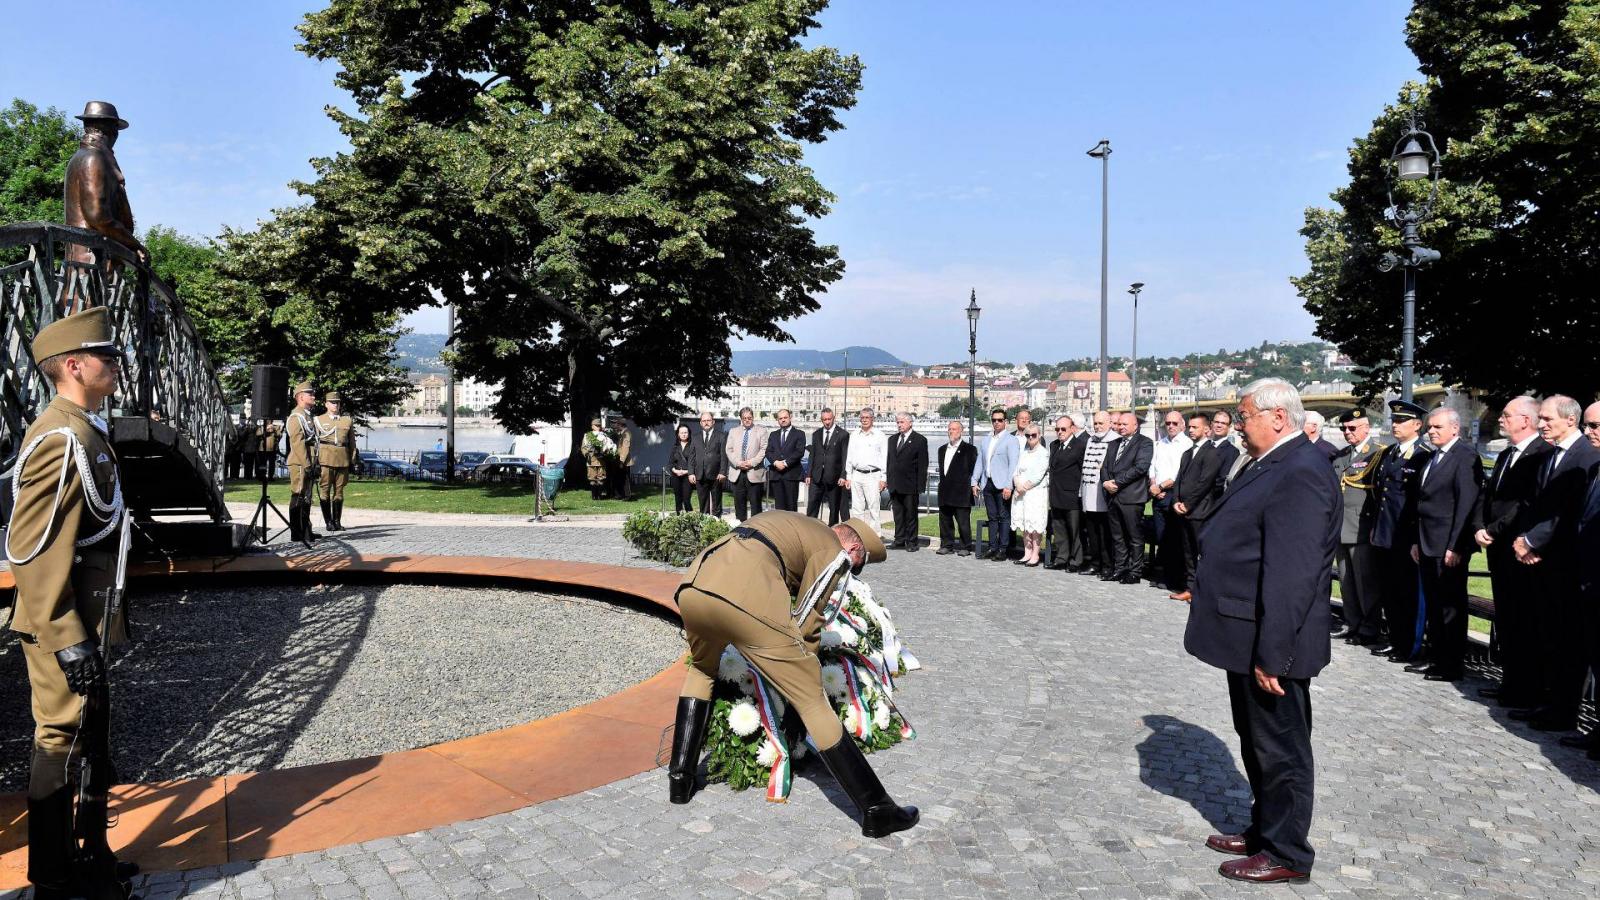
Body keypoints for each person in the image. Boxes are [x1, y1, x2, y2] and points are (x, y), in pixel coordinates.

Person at [667, 511, 917, 837]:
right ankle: (877, 810)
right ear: (854, 550)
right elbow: (809, 616)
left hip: (694, 585)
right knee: (811, 700)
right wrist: (803, 666)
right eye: (857, 565)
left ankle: (680, 781)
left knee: (702, 670)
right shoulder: (831, 549)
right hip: (742, 598)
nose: (851, 571)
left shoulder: (794, 524)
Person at [5, 308, 140, 900]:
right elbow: (31, 551)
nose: (116, 365)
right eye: (105, 357)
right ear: (75, 366)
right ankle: (54, 879)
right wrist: (66, 635)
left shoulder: (85, 428)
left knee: (90, 736)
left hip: (88, 614)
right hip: (64, 623)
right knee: (59, 737)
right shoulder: (61, 438)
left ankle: (90, 854)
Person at [1184, 378, 1340, 884]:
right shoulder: (1272, 462)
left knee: (1281, 747)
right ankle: (1264, 827)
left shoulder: (1300, 470)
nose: (1238, 423)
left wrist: (1275, 653)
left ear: (1277, 417)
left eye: (1245, 415)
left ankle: (1287, 851)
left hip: (1273, 641)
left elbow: (1292, 573)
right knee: (1255, 739)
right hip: (1246, 631)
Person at [1509, 395, 1600, 733]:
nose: (1541, 423)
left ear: (1569, 420)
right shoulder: (1553, 456)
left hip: (1567, 565)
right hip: (1544, 563)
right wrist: (1525, 539)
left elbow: (1568, 513)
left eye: (1548, 419)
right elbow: (1535, 505)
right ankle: (1547, 702)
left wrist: (1533, 542)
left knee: (1568, 642)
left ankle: (1563, 710)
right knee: (1548, 636)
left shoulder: (1585, 457)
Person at [1472, 397, 1551, 709]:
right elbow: (1487, 495)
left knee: (1524, 620)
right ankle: (1511, 682)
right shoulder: (1507, 454)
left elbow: (1525, 505)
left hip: (1520, 550)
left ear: (1525, 420)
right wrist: (1479, 525)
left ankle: (1527, 688)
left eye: (1506, 415)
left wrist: (1493, 530)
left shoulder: (1541, 454)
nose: (1500, 420)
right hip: (1497, 550)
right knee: (1506, 619)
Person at [1405, 407, 1483, 682]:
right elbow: (1423, 502)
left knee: (1450, 606)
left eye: (1437, 427)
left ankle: (1451, 664)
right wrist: (1416, 540)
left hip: (1447, 545)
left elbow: (1465, 505)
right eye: (1429, 427)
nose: (1431, 431)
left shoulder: (1464, 457)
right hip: (1427, 542)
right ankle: (1436, 658)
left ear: (1455, 429)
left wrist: (1457, 546)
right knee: (1435, 606)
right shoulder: (1434, 457)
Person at [62, 102, 146, 314]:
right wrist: (134, 244)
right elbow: (98, 217)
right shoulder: (93, 159)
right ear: (109, 131)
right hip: (87, 264)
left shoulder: (85, 157)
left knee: (91, 335)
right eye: (116, 130)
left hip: (90, 264)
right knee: (87, 335)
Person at [1368, 400, 1431, 664]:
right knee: (1390, 593)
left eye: (1402, 421)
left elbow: (1419, 500)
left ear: (1417, 425)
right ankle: (1395, 641)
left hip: (1405, 538)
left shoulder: (1422, 455)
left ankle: (1409, 646)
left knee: (1407, 595)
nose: (1395, 425)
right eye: (1394, 420)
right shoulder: (1389, 453)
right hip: (1384, 534)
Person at [1330, 408, 1391, 646]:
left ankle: (1369, 627)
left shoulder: (1377, 454)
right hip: (1340, 527)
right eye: (1344, 428)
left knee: (1366, 583)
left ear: (1366, 427)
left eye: (1352, 428)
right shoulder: (1342, 455)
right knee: (1346, 582)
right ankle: (1352, 622)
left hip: (1361, 527)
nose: (1347, 432)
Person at [1568, 401, 1600, 757]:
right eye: (1588, 425)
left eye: (1594, 426)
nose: (1588, 431)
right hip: (1588, 578)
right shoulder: (1596, 470)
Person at [1168, 412, 1223, 602]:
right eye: (1189, 427)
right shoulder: (1187, 453)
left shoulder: (1212, 453)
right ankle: (1190, 588)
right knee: (1188, 552)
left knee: (1201, 552)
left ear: (1206, 429)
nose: (1191, 430)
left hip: (1200, 511)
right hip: (1183, 510)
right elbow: (1179, 480)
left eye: (1195, 427)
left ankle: (1201, 590)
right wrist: (1175, 500)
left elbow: (1205, 483)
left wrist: (1188, 504)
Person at [1102, 411, 1153, 584]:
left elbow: (1141, 467)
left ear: (1135, 426)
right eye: (1119, 424)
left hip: (1132, 497)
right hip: (1113, 497)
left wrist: (1116, 482)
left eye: (1125, 424)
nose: (1121, 427)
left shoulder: (1144, 443)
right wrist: (1106, 482)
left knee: (1134, 537)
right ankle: (1120, 568)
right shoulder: (1113, 443)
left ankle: (1135, 571)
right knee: (1117, 536)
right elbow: (1105, 467)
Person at [1148, 410, 1193, 585]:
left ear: (1182, 424)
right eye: (1168, 423)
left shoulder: (1187, 444)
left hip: (1174, 493)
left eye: (1175, 423)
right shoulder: (1160, 443)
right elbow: (1153, 466)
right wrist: (1153, 485)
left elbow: (1180, 473)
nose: (1171, 426)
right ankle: (1165, 573)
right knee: (1161, 537)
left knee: (1175, 537)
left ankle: (1176, 576)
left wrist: (1160, 486)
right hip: (1157, 494)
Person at [973, 408, 1019, 561]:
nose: (997, 423)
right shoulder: (986, 440)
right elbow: (980, 461)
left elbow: (1013, 465)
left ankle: (1003, 549)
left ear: (1005, 422)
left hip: (1002, 484)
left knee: (1003, 516)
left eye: (1000, 420)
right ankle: (992, 547)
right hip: (988, 483)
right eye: (994, 420)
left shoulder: (1011, 440)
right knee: (992, 517)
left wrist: (1009, 486)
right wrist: (974, 481)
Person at [1046, 414, 1087, 571]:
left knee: (1074, 530)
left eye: (1063, 429)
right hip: (1056, 494)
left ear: (1073, 429)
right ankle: (1061, 558)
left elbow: (1082, 470)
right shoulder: (1054, 445)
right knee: (1059, 529)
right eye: (1057, 429)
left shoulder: (1080, 445)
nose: (1060, 432)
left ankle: (1076, 560)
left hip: (1072, 496)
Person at [1079, 411, 1117, 575]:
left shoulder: (1114, 440)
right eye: (1095, 423)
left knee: (1104, 532)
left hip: (1103, 492)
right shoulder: (1090, 439)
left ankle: (1108, 565)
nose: (1098, 426)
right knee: (1092, 531)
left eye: (1101, 423)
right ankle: (1095, 563)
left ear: (1109, 423)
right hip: (1089, 490)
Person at [284, 382, 321, 546]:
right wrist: (307, 465)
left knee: (307, 497)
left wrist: (314, 464)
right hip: (300, 463)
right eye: (310, 394)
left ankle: (306, 529)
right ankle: (297, 532)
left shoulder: (306, 416)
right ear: (300, 397)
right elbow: (298, 444)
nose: (313, 396)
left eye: (313, 393)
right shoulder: (296, 417)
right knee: (298, 495)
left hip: (308, 462)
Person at [315, 391, 359, 532]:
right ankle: (328, 522)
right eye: (333, 402)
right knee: (325, 490)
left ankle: (337, 521)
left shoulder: (347, 421)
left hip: (342, 459)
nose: (336, 405)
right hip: (325, 459)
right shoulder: (318, 420)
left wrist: (353, 460)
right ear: (326, 404)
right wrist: (315, 461)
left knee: (339, 491)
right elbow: (314, 443)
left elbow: (352, 443)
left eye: (338, 402)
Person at [885, 413, 929, 551]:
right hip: (895, 484)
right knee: (898, 515)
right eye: (898, 422)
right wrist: (888, 480)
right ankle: (899, 540)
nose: (899, 425)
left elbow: (923, 465)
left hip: (910, 485)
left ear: (910, 423)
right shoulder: (892, 439)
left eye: (902, 422)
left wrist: (920, 486)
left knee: (910, 515)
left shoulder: (919, 440)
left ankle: (911, 542)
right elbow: (889, 462)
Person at [1011, 424, 1050, 566]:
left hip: (1035, 494)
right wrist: (1017, 483)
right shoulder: (1024, 452)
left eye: (1033, 435)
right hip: (1021, 493)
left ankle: (1035, 554)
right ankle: (1026, 552)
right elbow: (1016, 470)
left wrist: (1022, 488)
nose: (1031, 438)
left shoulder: (1043, 452)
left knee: (1035, 525)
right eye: (1028, 435)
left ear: (1039, 435)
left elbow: (1038, 475)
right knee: (1025, 524)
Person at [936, 420, 977, 555]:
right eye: (949, 429)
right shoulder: (942, 449)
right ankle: (947, 545)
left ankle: (966, 546)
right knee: (945, 521)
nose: (951, 432)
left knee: (963, 522)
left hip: (961, 492)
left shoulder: (970, 449)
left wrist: (973, 486)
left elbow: (973, 470)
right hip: (945, 492)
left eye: (954, 429)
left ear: (961, 431)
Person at [845, 408, 888, 532]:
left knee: (874, 507)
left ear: (872, 419)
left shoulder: (880, 436)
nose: (864, 420)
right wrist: (848, 476)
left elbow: (884, 457)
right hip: (856, 474)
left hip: (872, 475)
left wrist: (883, 478)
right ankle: (859, 533)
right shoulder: (854, 435)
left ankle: (875, 536)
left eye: (867, 418)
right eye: (862, 418)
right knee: (857, 508)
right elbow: (849, 456)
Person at [805, 408, 849, 524]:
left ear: (833, 418)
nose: (827, 422)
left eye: (829, 419)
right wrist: (808, 474)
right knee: (812, 507)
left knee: (834, 508)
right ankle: (810, 531)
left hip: (834, 477)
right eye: (824, 419)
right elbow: (812, 455)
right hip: (817, 476)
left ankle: (832, 532)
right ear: (821, 420)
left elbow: (845, 457)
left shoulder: (843, 435)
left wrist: (843, 475)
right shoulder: (816, 434)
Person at [725, 407, 769, 522]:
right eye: (744, 418)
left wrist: (751, 462)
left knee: (756, 506)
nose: (747, 420)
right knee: (739, 505)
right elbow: (729, 450)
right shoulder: (733, 431)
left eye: (749, 418)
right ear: (741, 419)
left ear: (753, 418)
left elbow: (764, 450)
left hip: (754, 473)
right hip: (737, 473)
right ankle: (741, 529)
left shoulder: (761, 431)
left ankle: (756, 530)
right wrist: (738, 463)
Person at [764, 409, 806, 512]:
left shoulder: (799, 434)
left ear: (790, 417)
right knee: (779, 508)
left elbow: (799, 452)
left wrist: (785, 463)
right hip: (776, 475)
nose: (783, 420)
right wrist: (775, 462)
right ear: (778, 420)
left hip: (791, 475)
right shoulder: (773, 435)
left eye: (785, 418)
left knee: (791, 507)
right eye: (780, 418)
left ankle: (792, 528)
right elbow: (768, 452)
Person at [689, 411, 727, 517]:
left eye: (708, 420)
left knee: (717, 504)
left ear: (713, 422)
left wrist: (723, 472)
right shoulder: (695, 437)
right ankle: (704, 526)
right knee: (703, 504)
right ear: (700, 423)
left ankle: (717, 525)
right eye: (704, 421)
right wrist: (691, 473)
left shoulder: (721, 436)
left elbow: (724, 456)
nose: (706, 423)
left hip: (716, 475)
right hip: (700, 475)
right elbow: (691, 456)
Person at [581, 418, 615, 501]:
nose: (598, 427)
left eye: (599, 425)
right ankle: (594, 496)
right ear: (592, 426)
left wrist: (607, 452)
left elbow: (608, 446)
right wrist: (586, 454)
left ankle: (599, 496)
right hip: (591, 460)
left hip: (601, 460)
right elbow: (583, 447)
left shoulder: (604, 435)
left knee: (601, 478)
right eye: (596, 425)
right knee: (592, 478)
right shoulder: (587, 436)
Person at [669, 424, 695, 513]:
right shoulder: (675, 447)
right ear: (678, 434)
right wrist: (674, 470)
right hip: (676, 475)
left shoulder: (693, 446)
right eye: (682, 433)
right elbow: (671, 462)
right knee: (678, 498)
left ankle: (691, 518)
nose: (684, 434)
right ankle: (678, 519)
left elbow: (695, 463)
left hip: (688, 475)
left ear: (689, 434)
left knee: (686, 498)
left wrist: (686, 471)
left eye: (685, 432)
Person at [609, 417, 636, 499]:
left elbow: (625, 448)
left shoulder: (626, 434)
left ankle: (627, 496)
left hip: (624, 460)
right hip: (619, 458)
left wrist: (621, 461)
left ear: (620, 425)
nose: (615, 425)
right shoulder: (622, 433)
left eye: (616, 424)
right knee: (619, 477)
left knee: (625, 479)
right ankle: (620, 494)